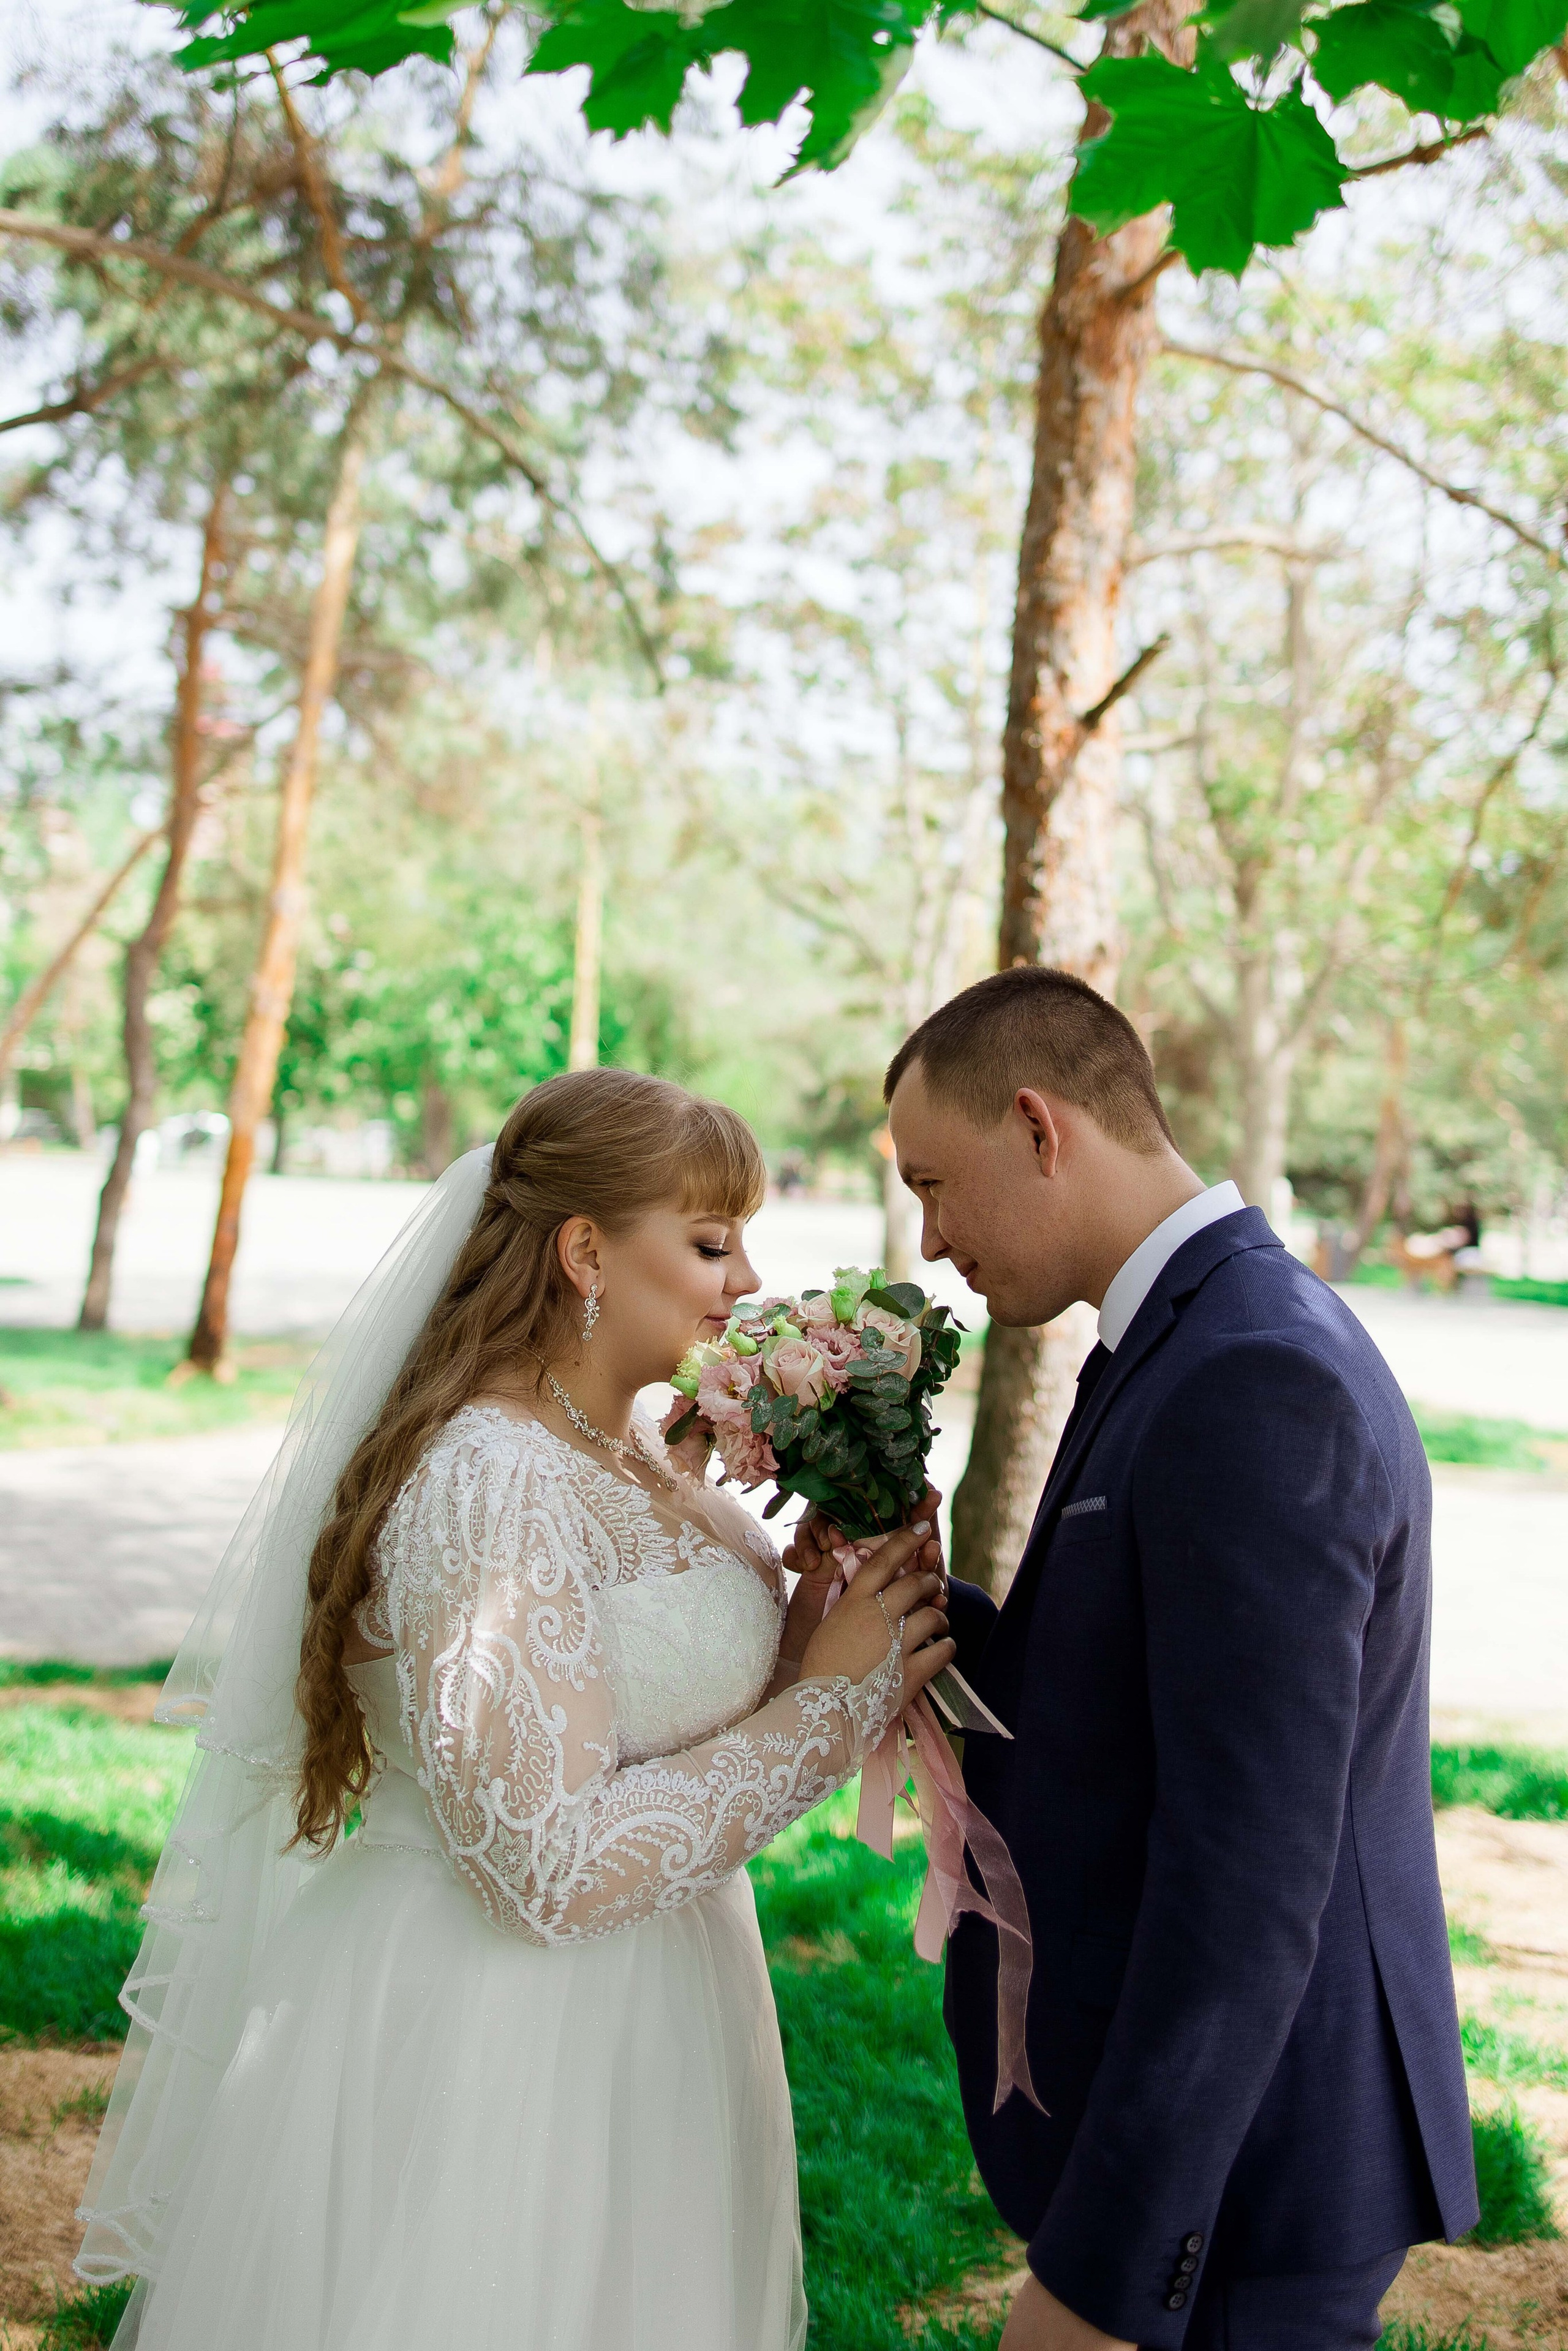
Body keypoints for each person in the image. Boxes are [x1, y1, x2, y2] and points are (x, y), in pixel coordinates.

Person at [75, 1068, 952, 2351]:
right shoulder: (488, 1477)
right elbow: (542, 1861)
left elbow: (662, 1729)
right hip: (496, 2031)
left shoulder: (639, 1456)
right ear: (585, 1251)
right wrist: (828, 1706)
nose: (748, 1281)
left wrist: (819, 1620)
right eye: (711, 1243)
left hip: (663, 2001)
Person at [880, 967, 1476, 2351]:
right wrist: (908, 1601)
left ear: (1039, 1127)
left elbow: (1248, 1871)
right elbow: (1129, 1692)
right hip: (1232, 2162)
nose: (932, 1236)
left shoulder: (1251, 1372)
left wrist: (1103, 2274)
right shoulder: (1195, 1329)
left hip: (1251, 2178)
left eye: (934, 1184)